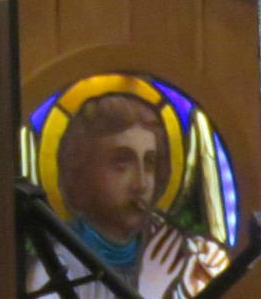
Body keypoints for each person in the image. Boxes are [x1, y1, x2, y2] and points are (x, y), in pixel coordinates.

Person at [31, 92, 229, 299]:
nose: (141, 184)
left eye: (150, 163)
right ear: (82, 171)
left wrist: (187, 290)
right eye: (121, 164)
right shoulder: (54, 269)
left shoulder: (166, 258)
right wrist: (148, 292)